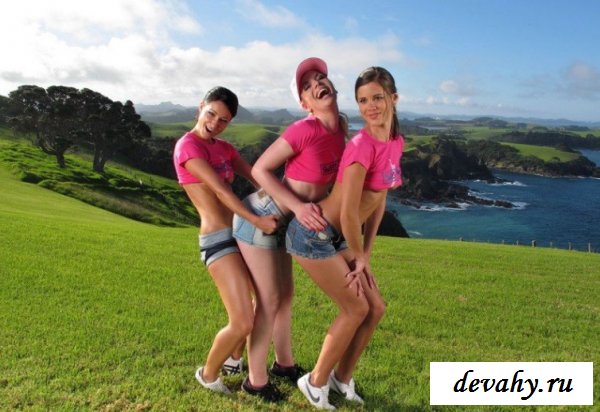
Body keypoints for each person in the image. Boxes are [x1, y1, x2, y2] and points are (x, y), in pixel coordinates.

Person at [286, 66, 404, 409]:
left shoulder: (395, 142)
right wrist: (358, 255)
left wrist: (366, 254)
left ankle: (341, 379)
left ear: (394, 99)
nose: (370, 106)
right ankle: (314, 382)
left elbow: (379, 198)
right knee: (355, 308)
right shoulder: (361, 146)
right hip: (313, 234)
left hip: (341, 239)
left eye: (377, 98)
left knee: (376, 308)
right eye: (363, 100)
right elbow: (351, 212)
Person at [232, 57, 347, 401]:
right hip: (261, 218)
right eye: (307, 86)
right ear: (304, 103)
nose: (317, 84)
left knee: (286, 296)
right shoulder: (303, 129)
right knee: (268, 300)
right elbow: (260, 169)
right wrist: (297, 206)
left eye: (320, 77)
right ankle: (255, 382)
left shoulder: (340, 129)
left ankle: (284, 364)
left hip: (288, 224)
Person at [172, 86, 278, 394]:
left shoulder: (225, 149)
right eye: (211, 114)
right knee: (242, 321)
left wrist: (288, 199)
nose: (215, 123)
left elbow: (256, 177)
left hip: (240, 235)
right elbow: (220, 190)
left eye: (224, 120)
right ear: (200, 107)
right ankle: (207, 375)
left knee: (262, 300)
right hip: (218, 239)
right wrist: (257, 220)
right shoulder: (187, 146)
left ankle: (234, 359)